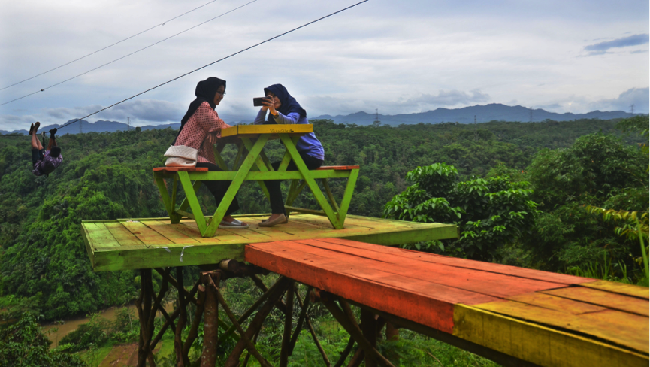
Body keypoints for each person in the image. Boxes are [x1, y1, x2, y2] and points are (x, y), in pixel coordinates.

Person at [163, 77, 248, 229]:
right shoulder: (203, 106)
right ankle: (225, 217)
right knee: (222, 176)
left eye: (223, 93)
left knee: (219, 176)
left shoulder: (203, 105)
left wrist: (218, 133)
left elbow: (214, 126)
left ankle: (224, 215)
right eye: (218, 92)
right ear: (210, 90)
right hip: (187, 155)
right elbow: (218, 125)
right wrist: (234, 132)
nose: (221, 96)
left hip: (190, 155)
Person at [254, 84, 325, 227]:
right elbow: (258, 125)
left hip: (312, 155)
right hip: (297, 156)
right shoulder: (275, 114)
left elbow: (290, 122)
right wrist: (264, 109)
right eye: (269, 97)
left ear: (283, 95)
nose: (272, 99)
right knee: (269, 171)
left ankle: (278, 213)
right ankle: (279, 213)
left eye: (274, 96)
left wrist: (274, 111)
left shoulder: (295, 109)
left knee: (272, 173)